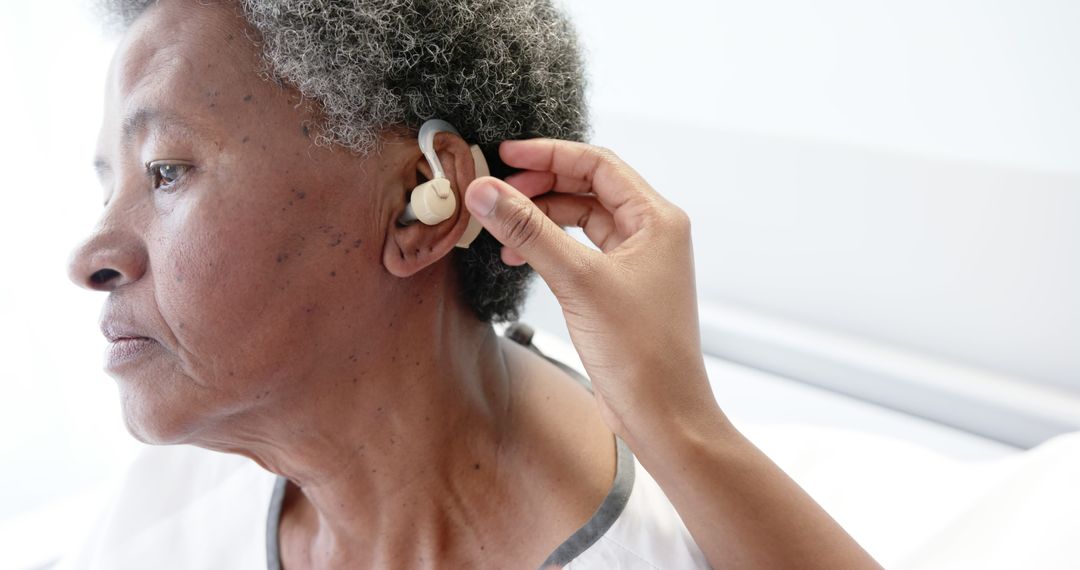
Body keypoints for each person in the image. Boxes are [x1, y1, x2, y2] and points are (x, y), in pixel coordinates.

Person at [64, 0, 881, 568]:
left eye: (165, 170)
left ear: (422, 203)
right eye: (110, 184)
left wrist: (680, 422)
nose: (89, 255)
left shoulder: (673, 548)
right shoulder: (157, 509)